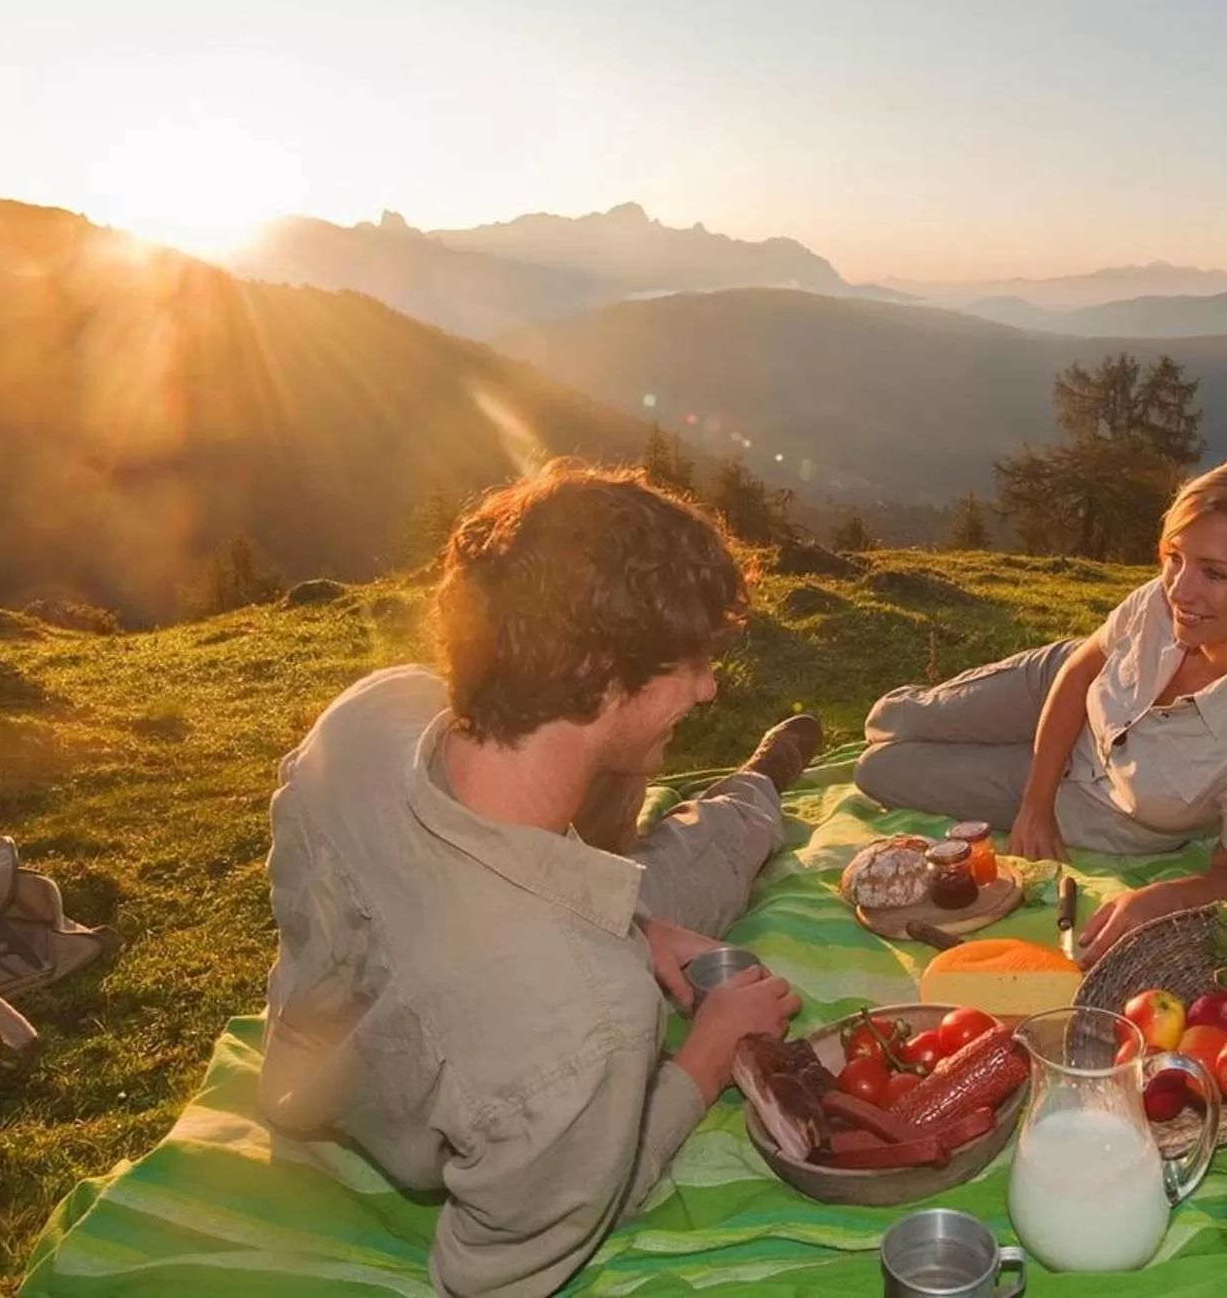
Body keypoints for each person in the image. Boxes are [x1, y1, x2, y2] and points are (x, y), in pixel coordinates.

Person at [259, 461, 821, 1298]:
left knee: (656, 888)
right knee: (707, 852)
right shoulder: (584, 1027)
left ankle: (754, 784)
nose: (706, 689)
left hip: (315, 1075)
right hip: (535, 1006)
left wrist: (637, 929)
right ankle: (760, 783)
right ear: (598, 675)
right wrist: (704, 1057)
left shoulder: (375, 712)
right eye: (690, 663)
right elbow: (514, 1255)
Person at [856, 456, 1227, 961]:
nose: (1178, 589)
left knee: (880, 769)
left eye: (1214, 573)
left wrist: (1161, 897)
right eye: (1175, 557)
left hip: (1089, 807)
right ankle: (928, 712)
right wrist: (1033, 805)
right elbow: (1082, 669)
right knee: (891, 720)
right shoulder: (1164, 601)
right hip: (1055, 693)